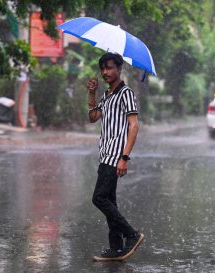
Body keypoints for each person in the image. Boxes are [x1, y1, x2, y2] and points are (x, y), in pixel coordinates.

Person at [86, 52, 145, 259]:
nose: (105, 72)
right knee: (110, 200)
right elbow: (94, 117)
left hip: (115, 155)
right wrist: (92, 94)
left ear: (119, 69)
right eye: (103, 68)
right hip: (105, 153)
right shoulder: (108, 94)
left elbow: (134, 125)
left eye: (109, 68)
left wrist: (125, 157)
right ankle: (116, 248)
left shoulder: (125, 93)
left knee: (99, 198)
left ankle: (132, 235)